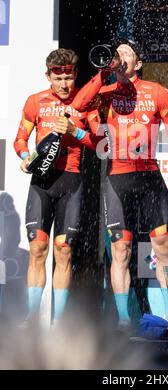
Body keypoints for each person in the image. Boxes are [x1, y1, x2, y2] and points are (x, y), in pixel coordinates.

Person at [72, 39, 168, 327]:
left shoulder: (157, 92)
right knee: (121, 250)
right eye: (117, 53)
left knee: (163, 246)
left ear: (138, 63)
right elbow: (77, 105)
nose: (120, 57)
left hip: (149, 176)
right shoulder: (106, 92)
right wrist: (102, 73)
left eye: (127, 54)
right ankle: (123, 319)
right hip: (117, 179)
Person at [14, 48, 101, 324]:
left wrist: (74, 131)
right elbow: (19, 139)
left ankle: (59, 323)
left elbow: (102, 145)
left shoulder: (86, 102)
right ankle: (31, 319)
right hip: (42, 183)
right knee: (38, 250)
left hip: (71, 182)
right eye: (58, 78)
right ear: (48, 77)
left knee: (64, 251)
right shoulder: (35, 102)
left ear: (75, 75)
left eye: (69, 77)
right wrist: (26, 157)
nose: (64, 84)